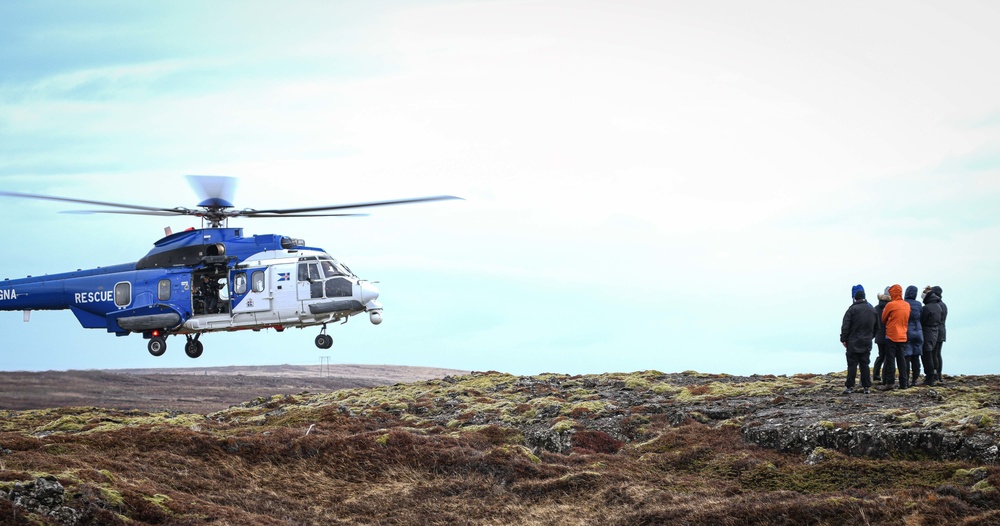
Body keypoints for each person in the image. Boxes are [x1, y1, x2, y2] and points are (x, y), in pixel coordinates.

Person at [841, 286, 877, 394]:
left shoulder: (851, 310)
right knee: (864, 364)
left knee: (852, 364)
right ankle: (866, 386)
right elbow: (877, 327)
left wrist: (844, 339)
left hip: (853, 342)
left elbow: (845, 326)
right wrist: (870, 336)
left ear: (855, 298)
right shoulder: (872, 310)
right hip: (866, 341)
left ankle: (850, 386)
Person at [879, 284, 911, 390]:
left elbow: (883, 319)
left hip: (891, 335)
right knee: (902, 359)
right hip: (903, 335)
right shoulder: (907, 305)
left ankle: (890, 382)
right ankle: (904, 383)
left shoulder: (890, 305)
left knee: (891, 359)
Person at [920, 285, 945, 386]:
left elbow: (923, 321)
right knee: (935, 354)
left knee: (927, 355)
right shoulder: (939, 306)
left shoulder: (927, 308)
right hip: (936, 332)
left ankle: (930, 377)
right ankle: (936, 375)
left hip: (927, 333)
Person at [903, 285, 924, 386]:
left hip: (906, 332)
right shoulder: (919, 304)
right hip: (918, 332)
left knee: (906, 357)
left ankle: (906, 380)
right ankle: (914, 379)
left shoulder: (904, 304)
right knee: (916, 357)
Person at [872, 286, 891, 383]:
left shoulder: (876, 308)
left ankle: (875, 374)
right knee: (888, 357)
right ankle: (885, 377)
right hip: (889, 335)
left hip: (879, 335)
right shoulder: (891, 307)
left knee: (881, 355)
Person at [931, 285, 948, 384]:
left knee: (934, 353)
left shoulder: (937, 305)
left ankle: (935, 374)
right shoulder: (943, 305)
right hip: (942, 330)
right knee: (938, 353)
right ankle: (939, 374)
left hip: (936, 330)